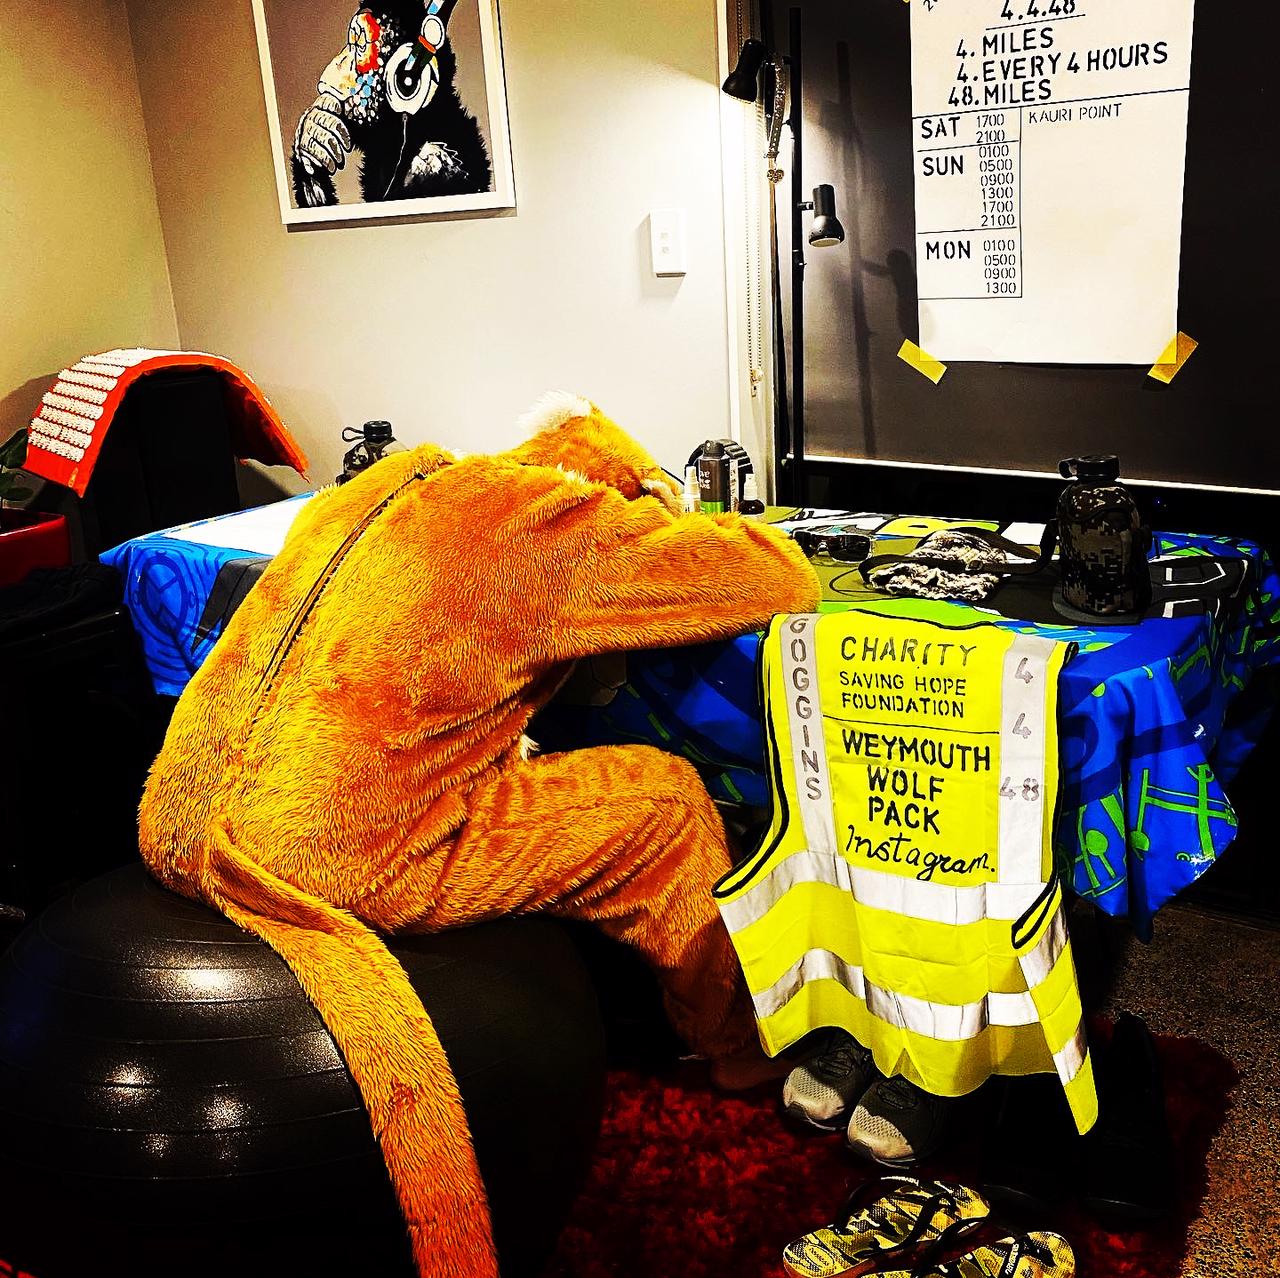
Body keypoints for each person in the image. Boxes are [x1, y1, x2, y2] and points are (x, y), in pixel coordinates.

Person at [139, 393, 820, 1278]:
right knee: (663, 801)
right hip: (328, 850)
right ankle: (731, 1047)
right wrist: (664, 508)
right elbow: (779, 577)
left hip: (183, 814)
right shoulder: (558, 527)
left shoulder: (387, 482)